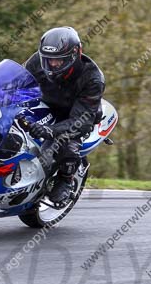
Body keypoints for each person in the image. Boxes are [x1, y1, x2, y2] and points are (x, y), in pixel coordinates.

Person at [24, 26, 106, 206]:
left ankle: (66, 179)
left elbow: (81, 122)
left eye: (58, 61)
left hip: (73, 115)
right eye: (48, 60)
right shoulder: (37, 61)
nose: (52, 65)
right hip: (44, 105)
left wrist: (50, 131)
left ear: (74, 55)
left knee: (65, 146)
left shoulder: (92, 78)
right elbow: (18, 82)